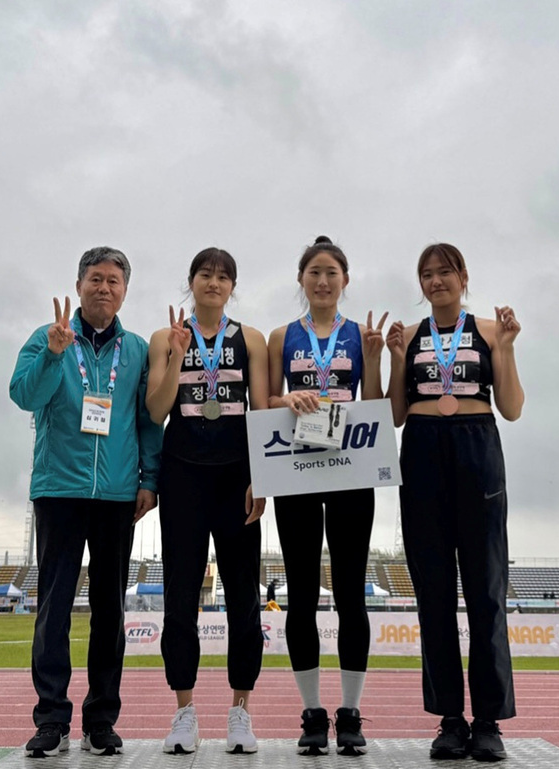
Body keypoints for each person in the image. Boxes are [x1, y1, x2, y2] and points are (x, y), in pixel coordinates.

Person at [10, 246, 162, 758]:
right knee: (53, 609)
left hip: (118, 495)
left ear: (125, 290)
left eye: (114, 281)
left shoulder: (137, 349)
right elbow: (23, 396)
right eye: (95, 279)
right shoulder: (48, 336)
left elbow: (147, 420)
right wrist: (54, 353)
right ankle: (51, 718)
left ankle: (101, 719)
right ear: (79, 285)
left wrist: (150, 479)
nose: (104, 288)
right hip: (59, 490)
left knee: (108, 612)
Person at [386, 242, 524, 762]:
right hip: (421, 450)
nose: (436, 281)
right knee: (434, 595)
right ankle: (449, 718)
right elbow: (397, 414)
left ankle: (488, 720)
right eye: (426, 274)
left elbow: (510, 408)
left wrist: (506, 349)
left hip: (477, 444)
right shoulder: (415, 336)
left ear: (464, 276)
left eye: (444, 272)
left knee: (486, 592)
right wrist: (399, 360)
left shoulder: (490, 330)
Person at [267, 235, 388, 756]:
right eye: (313, 272)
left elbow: (377, 404)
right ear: (301, 280)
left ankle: (352, 713)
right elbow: (265, 398)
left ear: (344, 280)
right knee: (301, 594)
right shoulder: (281, 335)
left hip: (348, 467)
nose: (322, 281)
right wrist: (286, 397)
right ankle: (313, 712)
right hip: (295, 469)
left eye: (331, 273)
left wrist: (379, 357)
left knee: (350, 595)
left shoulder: (361, 335)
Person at [146, 248, 268, 755]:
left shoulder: (252, 339)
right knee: (180, 595)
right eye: (205, 274)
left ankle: (241, 712)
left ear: (232, 287)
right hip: (183, 477)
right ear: (190, 282)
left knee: (243, 595)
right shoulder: (163, 337)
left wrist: (263, 479)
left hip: (237, 479)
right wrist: (175, 356)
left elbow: (261, 412)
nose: (213, 283)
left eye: (223, 277)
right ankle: (184, 713)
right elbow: (156, 410)